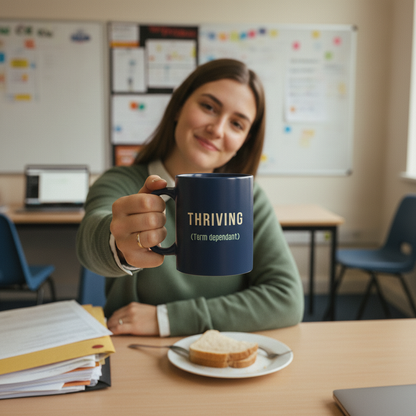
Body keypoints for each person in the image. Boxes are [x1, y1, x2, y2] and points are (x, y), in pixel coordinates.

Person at [76, 58, 304, 337]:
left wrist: (168, 318)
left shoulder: (249, 197)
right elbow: (91, 242)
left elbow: (287, 299)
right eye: (208, 107)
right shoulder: (121, 182)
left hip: (221, 356)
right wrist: (118, 243)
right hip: (135, 352)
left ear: (245, 141)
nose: (217, 129)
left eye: (236, 124)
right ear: (179, 106)